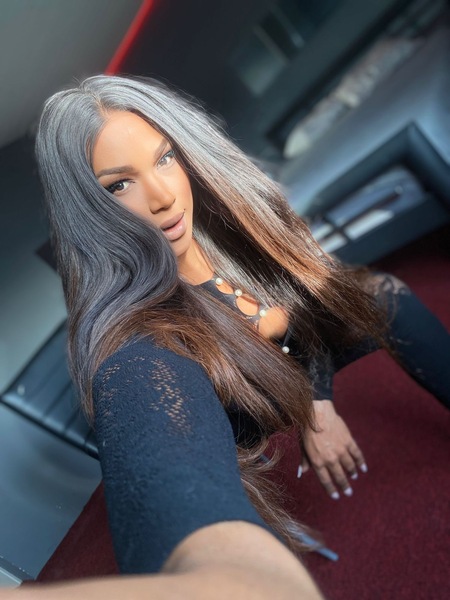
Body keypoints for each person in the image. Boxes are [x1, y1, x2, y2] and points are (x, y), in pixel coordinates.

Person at [32, 75, 449, 578]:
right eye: (119, 185)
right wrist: (212, 567)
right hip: (254, 409)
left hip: (290, 374)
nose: (163, 197)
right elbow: (164, 472)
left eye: (165, 158)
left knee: (382, 293)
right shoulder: (140, 347)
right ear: (89, 211)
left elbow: (309, 324)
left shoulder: (225, 233)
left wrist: (318, 406)